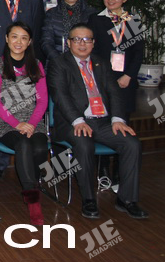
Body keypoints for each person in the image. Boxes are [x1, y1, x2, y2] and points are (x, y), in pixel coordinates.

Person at [47, 23, 148, 220]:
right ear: (69, 43)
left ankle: (127, 199)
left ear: (93, 43)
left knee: (131, 143)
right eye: (77, 39)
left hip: (102, 121)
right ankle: (89, 199)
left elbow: (114, 92)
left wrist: (117, 119)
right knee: (84, 144)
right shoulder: (59, 64)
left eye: (87, 39)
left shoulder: (102, 63)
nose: (82, 44)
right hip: (72, 122)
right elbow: (60, 96)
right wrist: (77, 120)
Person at [0, 22, 48, 225]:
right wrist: (16, 123)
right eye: (14, 36)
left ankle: (33, 183)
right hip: (4, 122)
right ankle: (33, 200)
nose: (18, 42)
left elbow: (43, 100)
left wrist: (31, 123)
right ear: (7, 39)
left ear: (29, 42)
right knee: (23, 144)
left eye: (24, 38)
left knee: (40, 147)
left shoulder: (36, 65)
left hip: (33, 121)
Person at [89, 0, 144, 120]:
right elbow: (92, 50)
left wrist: (129, 75)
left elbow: (138, 52)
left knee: (123, 118)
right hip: (102, 77)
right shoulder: (95, 19)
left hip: (125, 78)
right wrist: (100, 75)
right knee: (103, 117)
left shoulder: (132, 20)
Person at [41, 0, 98, 64]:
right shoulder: (51, 14)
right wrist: (60, 61)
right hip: (57, 64)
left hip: (85, 64)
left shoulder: (92, 14)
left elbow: (97, 43)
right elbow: (46, 42)